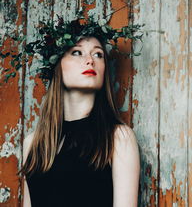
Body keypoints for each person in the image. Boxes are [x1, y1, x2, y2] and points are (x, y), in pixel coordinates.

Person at [21, 24, 140, 207]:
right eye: (77, 52)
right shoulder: (33, 143)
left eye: (98, 54)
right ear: (57, 65)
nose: (90, 60)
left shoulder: (118, 137)